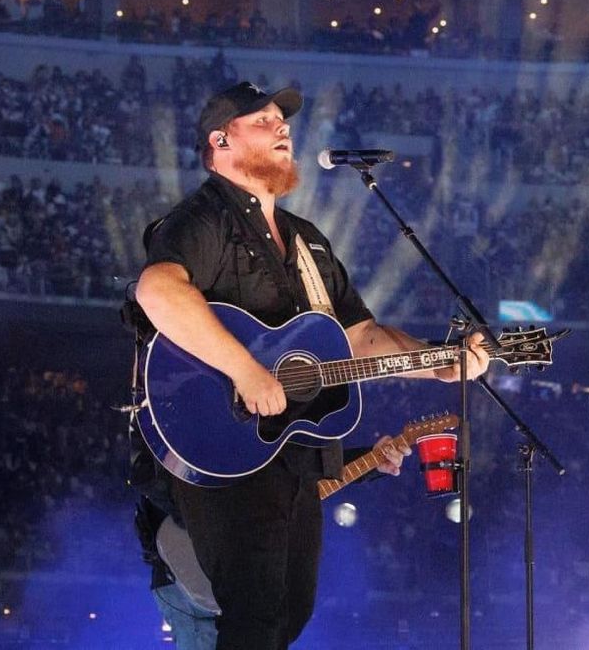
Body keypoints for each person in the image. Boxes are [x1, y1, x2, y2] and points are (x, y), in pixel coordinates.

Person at [134, 81, 489, 649]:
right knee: (255, 614)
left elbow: (361, 337)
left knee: (289, 615)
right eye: (262, 120)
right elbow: (158, 290)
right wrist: (246, 371)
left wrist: (441, 364)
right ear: (220, 141)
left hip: (292, 453)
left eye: (283, 120)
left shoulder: (307, 242)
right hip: (225, 446)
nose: (283, 127)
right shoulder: (203, 220)